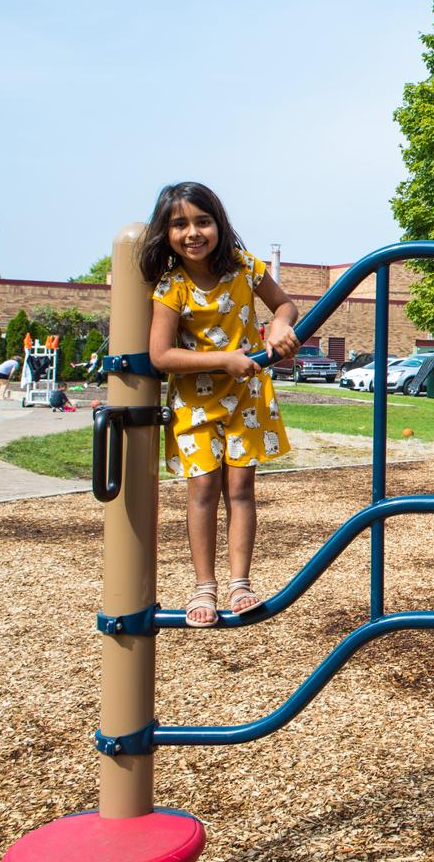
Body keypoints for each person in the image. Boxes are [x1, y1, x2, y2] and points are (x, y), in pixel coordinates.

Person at [142, 182, 301, 628]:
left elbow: (285, 305)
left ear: (219, 224)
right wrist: (224, 360)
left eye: (203, 221)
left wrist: (278, 326)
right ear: (166, 232)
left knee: (241, 490)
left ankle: (240, 583)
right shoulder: (172, 286)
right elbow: (161, 355)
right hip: (195, 405)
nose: (193, 233)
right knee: (203, 491)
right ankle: (204, 586)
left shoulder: (245, 268)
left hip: (245, 398)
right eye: (180, 224)